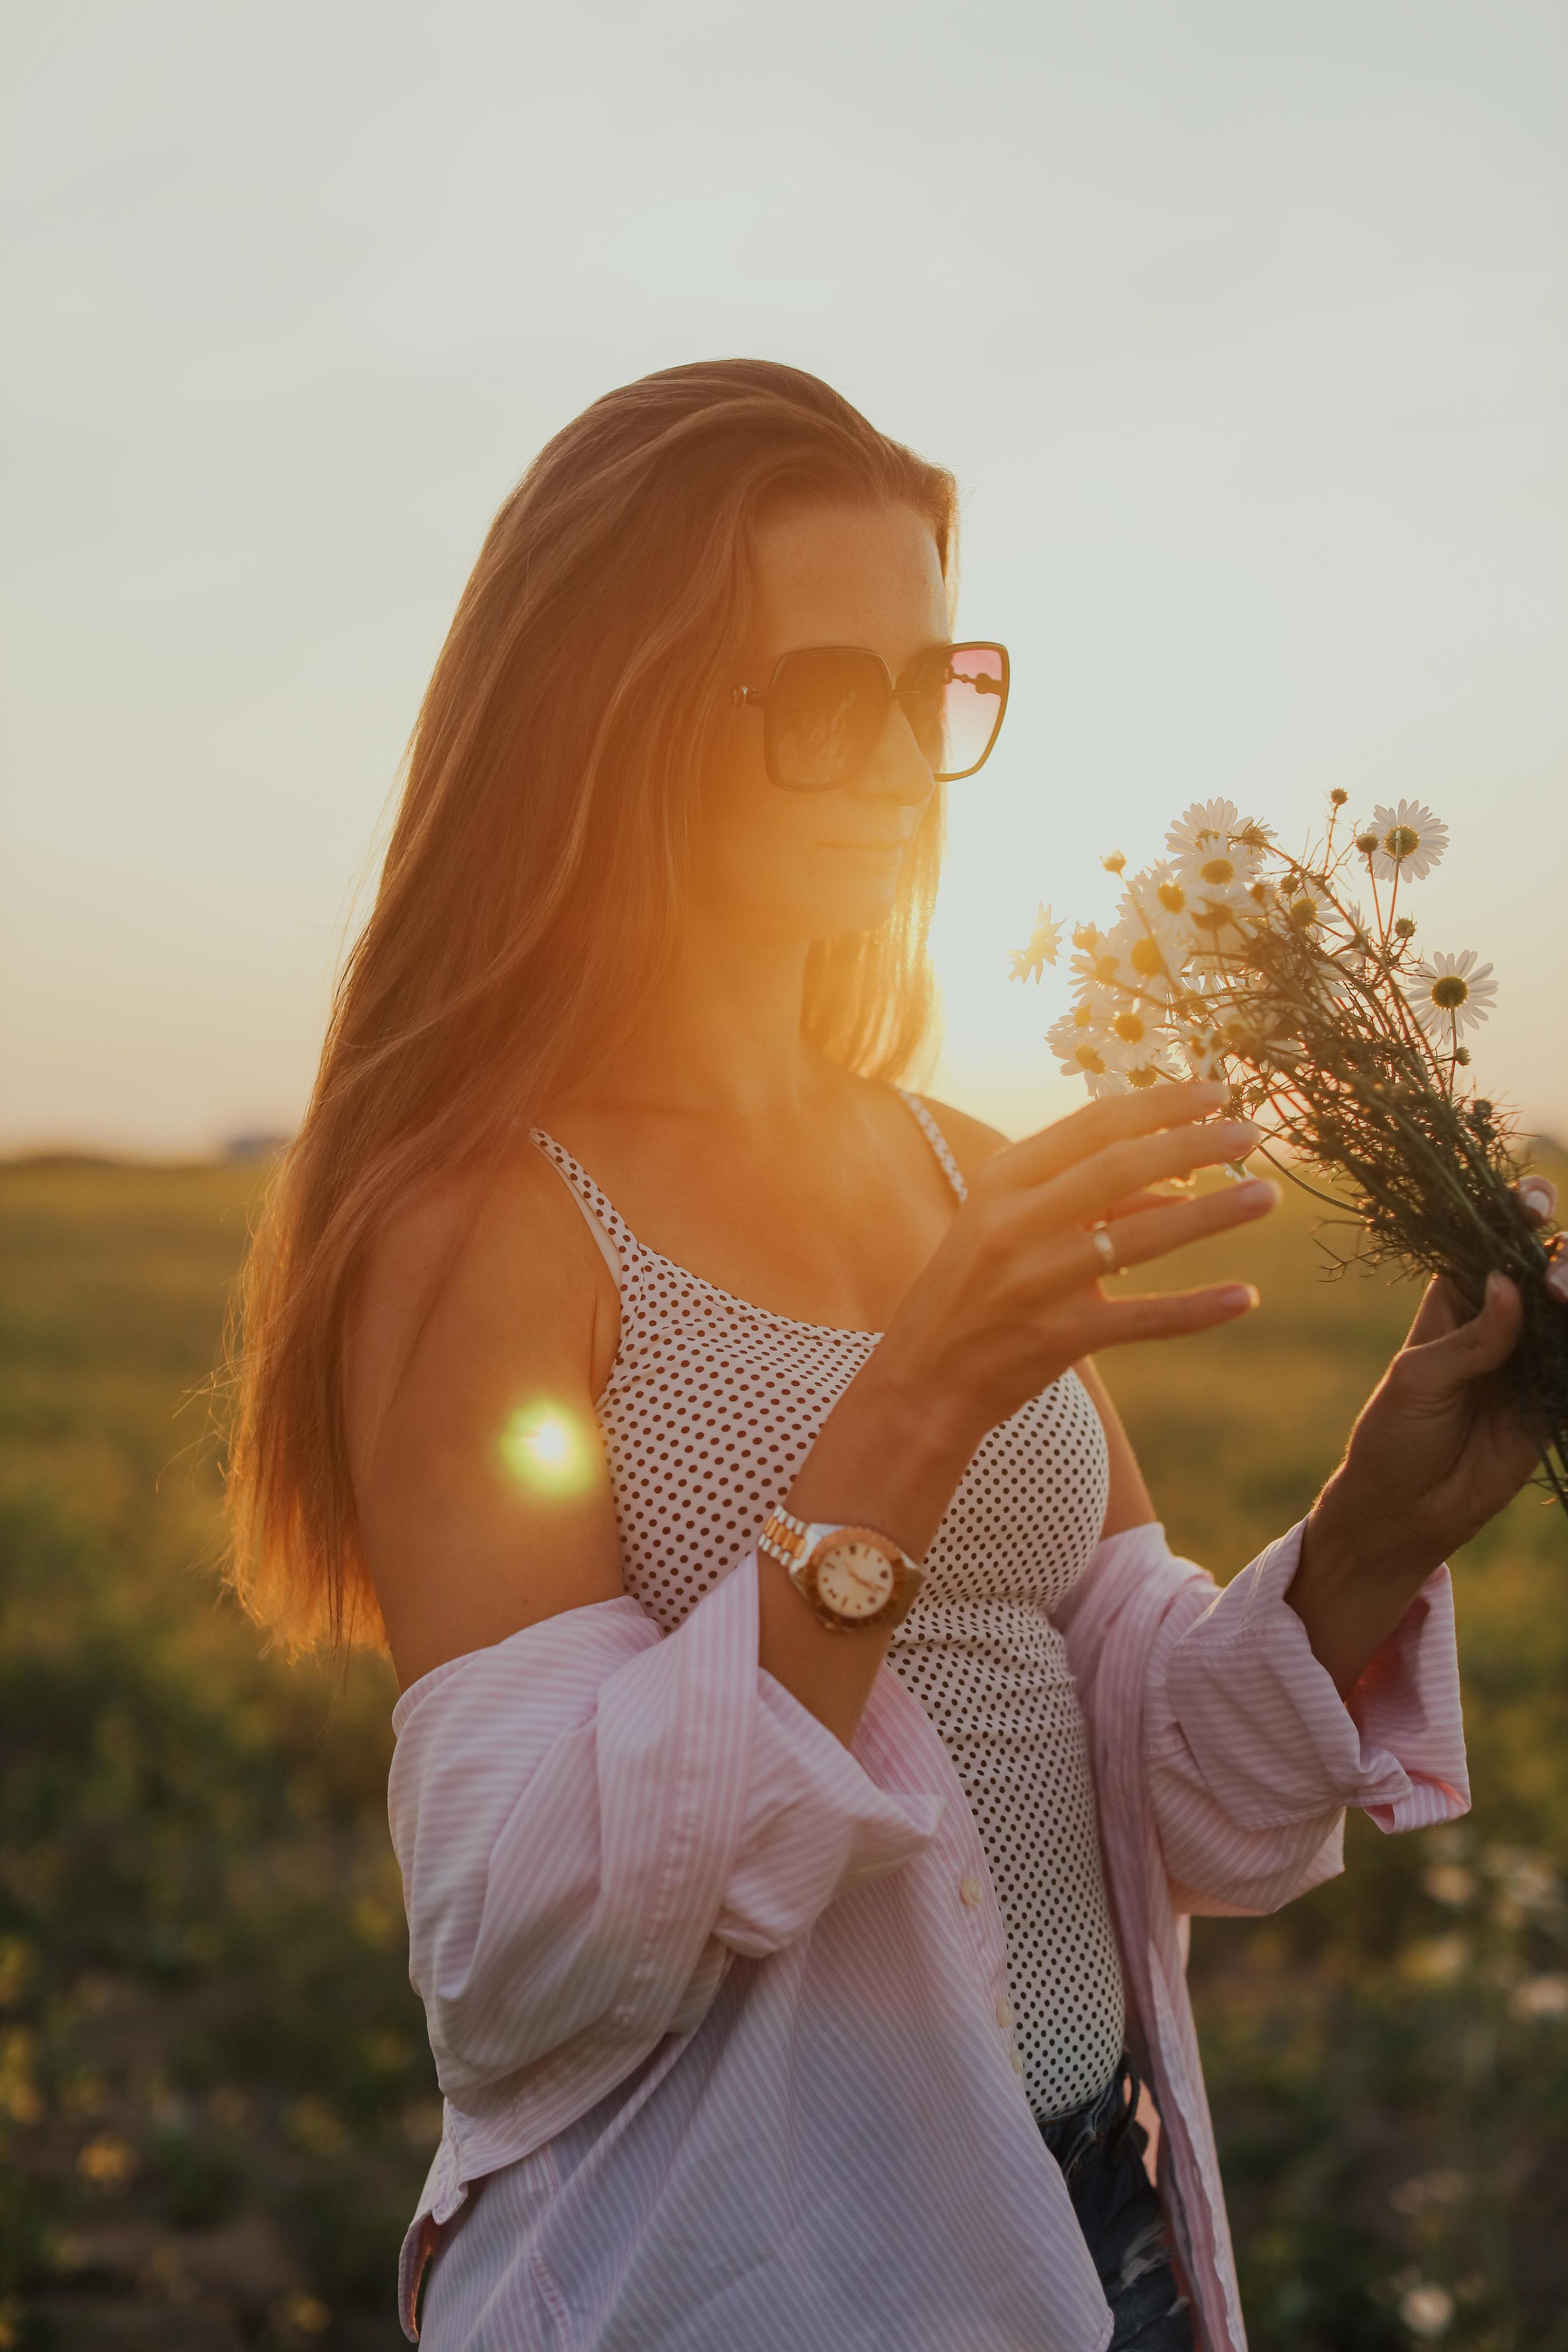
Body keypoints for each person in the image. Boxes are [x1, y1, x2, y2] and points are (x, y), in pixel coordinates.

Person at [225, 360, 1553, 2352]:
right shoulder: (488, 1222)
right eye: (813, 696)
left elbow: (1149, 1788)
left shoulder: (958, 1164)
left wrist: (1367, 1536)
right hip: (758, 2283)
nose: (891, 759)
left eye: (927, 687)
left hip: (1099, 2222)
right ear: (616, 721)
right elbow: (518, 1956)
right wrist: (916, 1406)